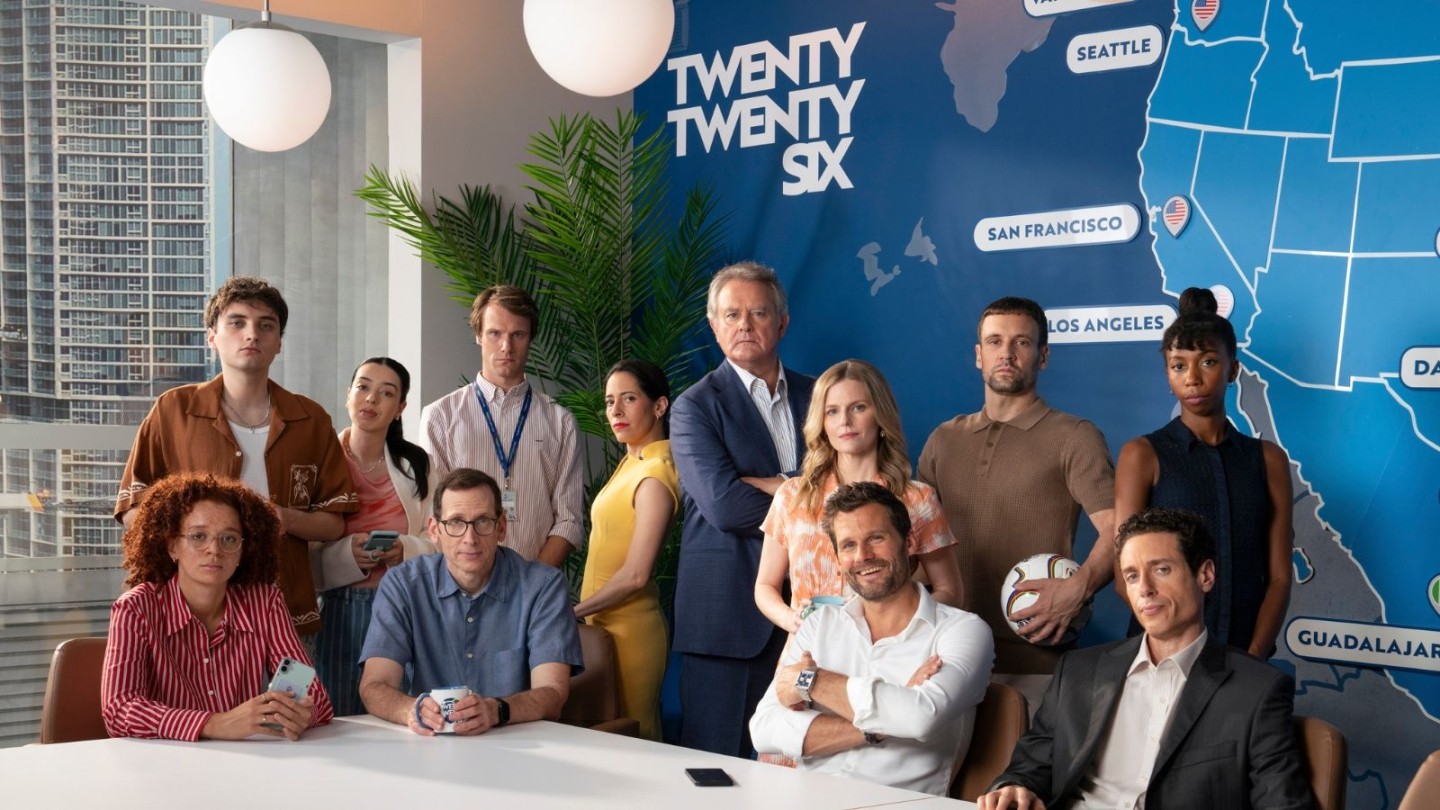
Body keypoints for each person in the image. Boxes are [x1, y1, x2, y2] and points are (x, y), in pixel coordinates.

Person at [977, 508, 1313, 810]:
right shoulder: (1079, 670)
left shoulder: (1257, 690)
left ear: (1205, 575)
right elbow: (1029, 768)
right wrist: (1015, 787)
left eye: (1162, 569)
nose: (1145, 589)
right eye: (1132, 576)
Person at [114, 276, 356, 642]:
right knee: (197, 702)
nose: (252, 334)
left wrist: (283, 517)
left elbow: (335, 523)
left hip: (285, 612)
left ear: (279, 344)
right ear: (212, 336)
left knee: (292, 700)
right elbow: (132, 510)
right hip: (186, 615)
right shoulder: (173, 410)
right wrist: (195, 535)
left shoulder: (312, 419)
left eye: (266, 325)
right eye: (237, 322)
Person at [917, 296, 1115, 710]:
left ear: (1042, 356)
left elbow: (1120, 530)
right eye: (994, 342)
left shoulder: (1074, 437)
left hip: (1034, 661)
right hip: (943, 656)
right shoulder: (943, 439)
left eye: (1021, 343)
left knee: (1018, 775)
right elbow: (916, 543)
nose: (1006, 353)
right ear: (978, 355)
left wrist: (1078, 588)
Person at [750, 482, 993, 796]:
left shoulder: (963, 631)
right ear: (837, 557)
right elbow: (764, 729)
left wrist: (811, 681)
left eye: (876, 538)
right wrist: (880, 724)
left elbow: (920, 717)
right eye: (848, 545)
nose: (862, 556)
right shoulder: (819, 624)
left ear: (908, 543)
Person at [670, 261, 816, 756]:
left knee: (801, 767)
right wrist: (804, 493)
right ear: (713, 326)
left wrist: (774, 485)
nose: (744, 325)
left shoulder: (821, 396)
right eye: (731, 315)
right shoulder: (694, 407)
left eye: (758, 313)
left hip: (814, 615)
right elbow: (726, 505)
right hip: (727, 624)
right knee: (719, 772)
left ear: (782, 323)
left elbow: (846, 493)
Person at [1114, 287, 1293, 657]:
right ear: (1167, 373)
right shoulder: (1143, 455)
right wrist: (1176, 653)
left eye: (1208, 362)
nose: (1192, 378)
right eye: (1179, 365)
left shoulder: (1268, 460)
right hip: (1162, 654)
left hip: (1246, 655)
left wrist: (1252, 658)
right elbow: (1124, 575)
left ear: (1233, 369)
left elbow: (1278, 576)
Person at [102, 473, 334, 741]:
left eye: (229, 539)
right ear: (172, 546)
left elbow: (315, 697)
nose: (214, 549)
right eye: (198, 536)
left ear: (242, 551)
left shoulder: (264, 602)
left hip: (245, 764)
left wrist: (302, 713)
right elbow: (118, 711)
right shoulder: (135, 608)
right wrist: (213, 724)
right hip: (164, 767)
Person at [358, 468, 583, 736]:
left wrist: (496, 710)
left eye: (483, 522)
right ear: (434, 530)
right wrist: (410, 710)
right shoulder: (403, 585)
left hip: (518, 745)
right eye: (455, 523)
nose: (470, 538)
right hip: (431, 746)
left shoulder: (543, 587)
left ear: (501, 527)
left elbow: (553, 694)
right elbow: (374, 685)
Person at [756, 358, 963, 635]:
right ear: (821, 422)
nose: (845, 421)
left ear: (880, 416)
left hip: (887, 655)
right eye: (832, 411)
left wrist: (901, 629)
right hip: (808, 656)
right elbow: (765, 587)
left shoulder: (917, 499)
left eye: (859, 407)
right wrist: (793, 621)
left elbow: (950, 591)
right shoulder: (792, 496)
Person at [418, 285, 583, 567]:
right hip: (461, 586)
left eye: (518, 334)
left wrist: (531, 585)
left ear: (530, 338)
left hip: (535, 590)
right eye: (495, 333)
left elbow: (569, 520)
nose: (506, 346)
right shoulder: (440, 417)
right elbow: (437, 516)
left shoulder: (560, 421)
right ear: (479, 336)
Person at [312, 358, 438, 716]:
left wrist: (405, 550)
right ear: (348, 395)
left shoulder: (417, 465)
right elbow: (299, 549)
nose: (371, 400)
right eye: (363, 387)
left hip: (405, 604)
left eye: (386, 393)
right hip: (340, 607)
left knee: (402, 715)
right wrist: (347, 556)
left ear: (399, 409)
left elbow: (442, 538)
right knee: (340, 715)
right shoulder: (319, 462)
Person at [573, 359, 679, 740]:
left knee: (638, 737)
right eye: (609, 401)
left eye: (629, 398)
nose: (614, 411)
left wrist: (574, 612)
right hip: (600, 625)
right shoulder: (632, 460)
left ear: (659, 406)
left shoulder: (655, 472)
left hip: (632, 631)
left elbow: (636, 574)